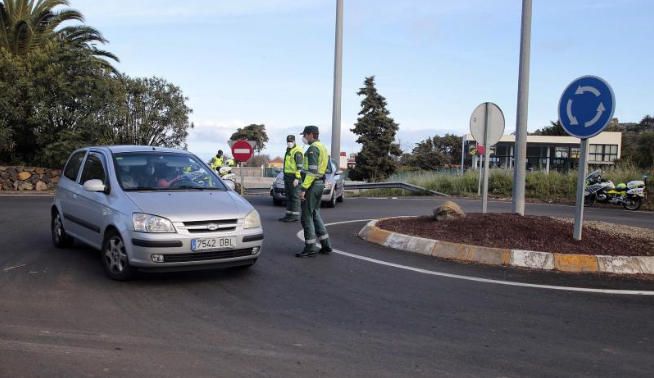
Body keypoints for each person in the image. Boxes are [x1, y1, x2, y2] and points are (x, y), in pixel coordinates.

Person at [296, 125, 333, 258]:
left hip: (312, 185)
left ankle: (310, 247)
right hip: (319, 184)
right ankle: (326, 245)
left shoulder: (313, 149)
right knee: (315, 214)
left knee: (306, 216)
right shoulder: (322, 147)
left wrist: (303, 188)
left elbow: (312, 171)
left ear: (311, 134)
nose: (304, 137)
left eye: (305, 135)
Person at [279, 135, 304, 222]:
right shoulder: (288, 150)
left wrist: (297, 178)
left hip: (294, 177)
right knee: (289, 196)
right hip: (288, 177)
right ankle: (288, 215)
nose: (289, 143)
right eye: (288, 141)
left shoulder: (297, 151)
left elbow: (299, 166)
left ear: (294, 141)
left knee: (294, 197)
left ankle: (295, 216)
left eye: (291, 141)